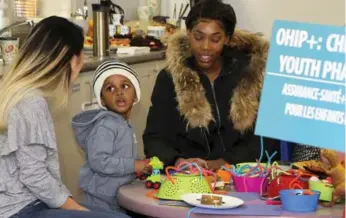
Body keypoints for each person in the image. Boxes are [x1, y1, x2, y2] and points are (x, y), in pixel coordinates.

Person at [0, 16, 130, 218]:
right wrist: (76, 208)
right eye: (81, 56)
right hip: (22, 209)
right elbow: (34, 176)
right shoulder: (31, 103)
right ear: (72, 60)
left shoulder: (17, 93)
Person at [143, 0, 280, 171]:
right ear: (189, 35)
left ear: (227, 39)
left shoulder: (250, 75)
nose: (205, 47)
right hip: (187, 177)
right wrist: (177, 161)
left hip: (242, 175)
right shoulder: (170, 78)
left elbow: (265, 140)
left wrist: (221, 163)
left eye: (215, 39)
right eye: (198, 37)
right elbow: (154, 138)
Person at [71, 60, 150, 212]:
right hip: (100, 201)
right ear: (102, 99)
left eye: (125, 86)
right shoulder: (106, 125)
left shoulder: (125, 122)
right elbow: (99, 161)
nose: (119, 92)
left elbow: (124, 153)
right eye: (110, 88)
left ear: (136, 94)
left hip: (116, 196)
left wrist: (140, 166)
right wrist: (133, 165)